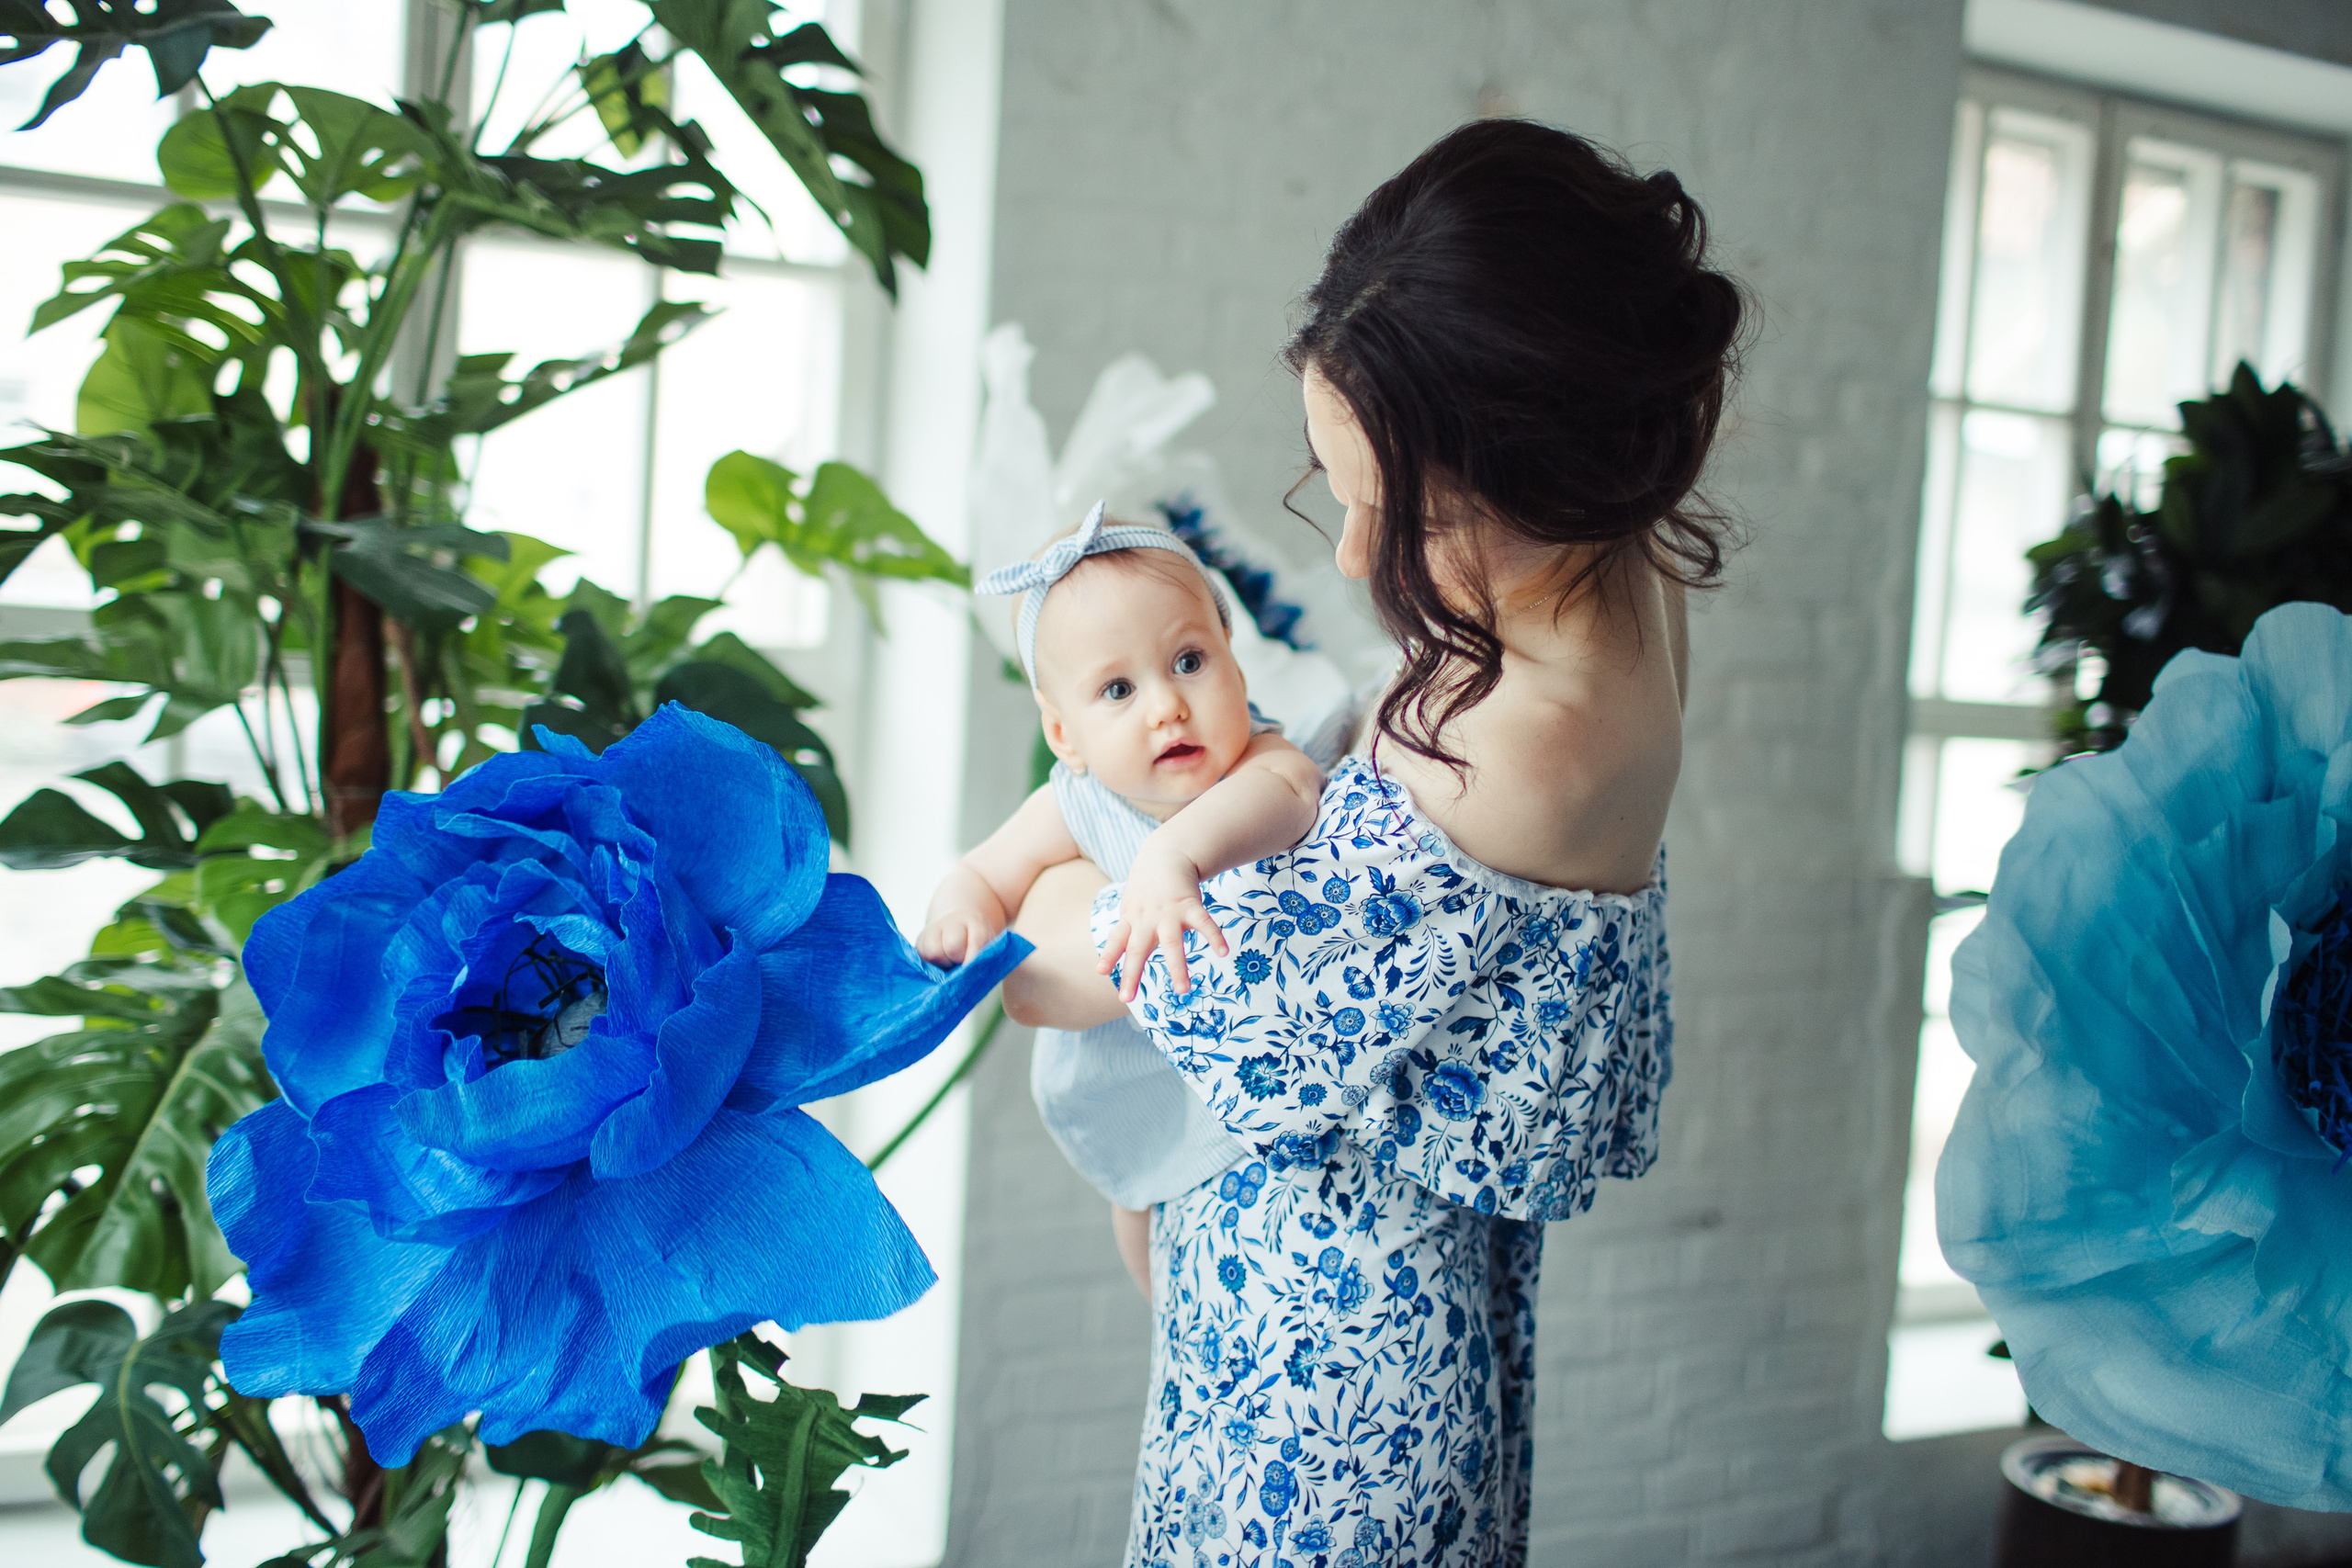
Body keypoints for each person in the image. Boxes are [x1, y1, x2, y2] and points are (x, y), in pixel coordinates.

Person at [1000, 118, 1745, 1563]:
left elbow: (1114, 975)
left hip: (1329, 1368)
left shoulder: (1516, 739)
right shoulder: (1620, 572)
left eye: (1395, 511)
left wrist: (1036, 866)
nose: (1351, 555)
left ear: (1549, 469)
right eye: (1335, 490)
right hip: (1341, 1307)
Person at [917, 503, 1327, 1291]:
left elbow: (1291, 795)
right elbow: (984, 873)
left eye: (1189, 661)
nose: (1166, 705)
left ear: (1236, 663)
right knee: (1134, 1203)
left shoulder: (1261, 761)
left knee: (1199, 1210)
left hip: (1236, 1078)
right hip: (1119, 1079)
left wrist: (1177, 854)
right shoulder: (1077, 800)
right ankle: (1165, 1312)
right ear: (1064, 735)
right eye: (1117, 688)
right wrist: (960, 918)